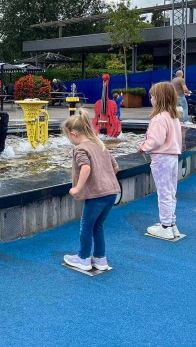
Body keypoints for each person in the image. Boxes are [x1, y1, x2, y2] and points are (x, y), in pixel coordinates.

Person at [62, 108, 120, 271]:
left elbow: (85, 167)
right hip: (111, 193)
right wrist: (104, 177)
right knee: (98, 226)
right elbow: (115, 167)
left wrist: (77, 188)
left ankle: (83, 258)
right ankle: (100, 259)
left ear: (74, 134)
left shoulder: (80, 149)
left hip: (97, 195)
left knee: (86, 226)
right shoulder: (99, 144)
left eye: (69, 138)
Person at [137, 82, 183, 239]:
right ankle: (171, 223)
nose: (150, 99)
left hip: (161, 158)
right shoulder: (173, 117)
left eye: (152, 96)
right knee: (171, 192)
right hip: (172, 157)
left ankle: (165, 226)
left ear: (159, 98)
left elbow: (156, 140)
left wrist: (143, 146)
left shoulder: (159, 118)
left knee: (163, 192)